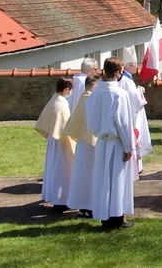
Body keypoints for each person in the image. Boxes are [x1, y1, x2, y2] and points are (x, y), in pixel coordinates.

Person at [86, 57, 135, 230]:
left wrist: (99, 133)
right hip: (116, 143)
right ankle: (116, 218)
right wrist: (129, 146)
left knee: (103, 180)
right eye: (121, 71)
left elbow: (90, 119)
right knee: (116, 180)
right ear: (116, 72)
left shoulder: (96, 92)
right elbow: (123, 123)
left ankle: (105, 216)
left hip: (102, 142)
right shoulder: (118, 93)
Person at [35, 77, 76, 212]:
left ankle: (58, 198)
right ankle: (61, 200)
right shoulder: (61, 104)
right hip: (61, 143)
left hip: (55, 140)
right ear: (65, 90)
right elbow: (66, 127)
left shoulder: (55, 100)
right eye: (70, 90)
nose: (71, 93)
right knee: (62, 171)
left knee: (56, 169)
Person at [64, 74, 100, 218]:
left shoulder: (81, 99)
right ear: (95, 86)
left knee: (81, 173)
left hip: (82, 144)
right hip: (91, 144)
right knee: (91, 174)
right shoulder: (91, 100)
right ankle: (89, 205)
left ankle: (81, 206)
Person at [119, 45, 152, 175]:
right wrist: (139, 92)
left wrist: (137, 92)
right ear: (130, 65)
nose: (137, 67)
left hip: (133, 113)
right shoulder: (126, 80)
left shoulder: (126, 79)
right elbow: (133, 99)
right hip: (132, 116)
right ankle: (134, 167)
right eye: (135, 64)